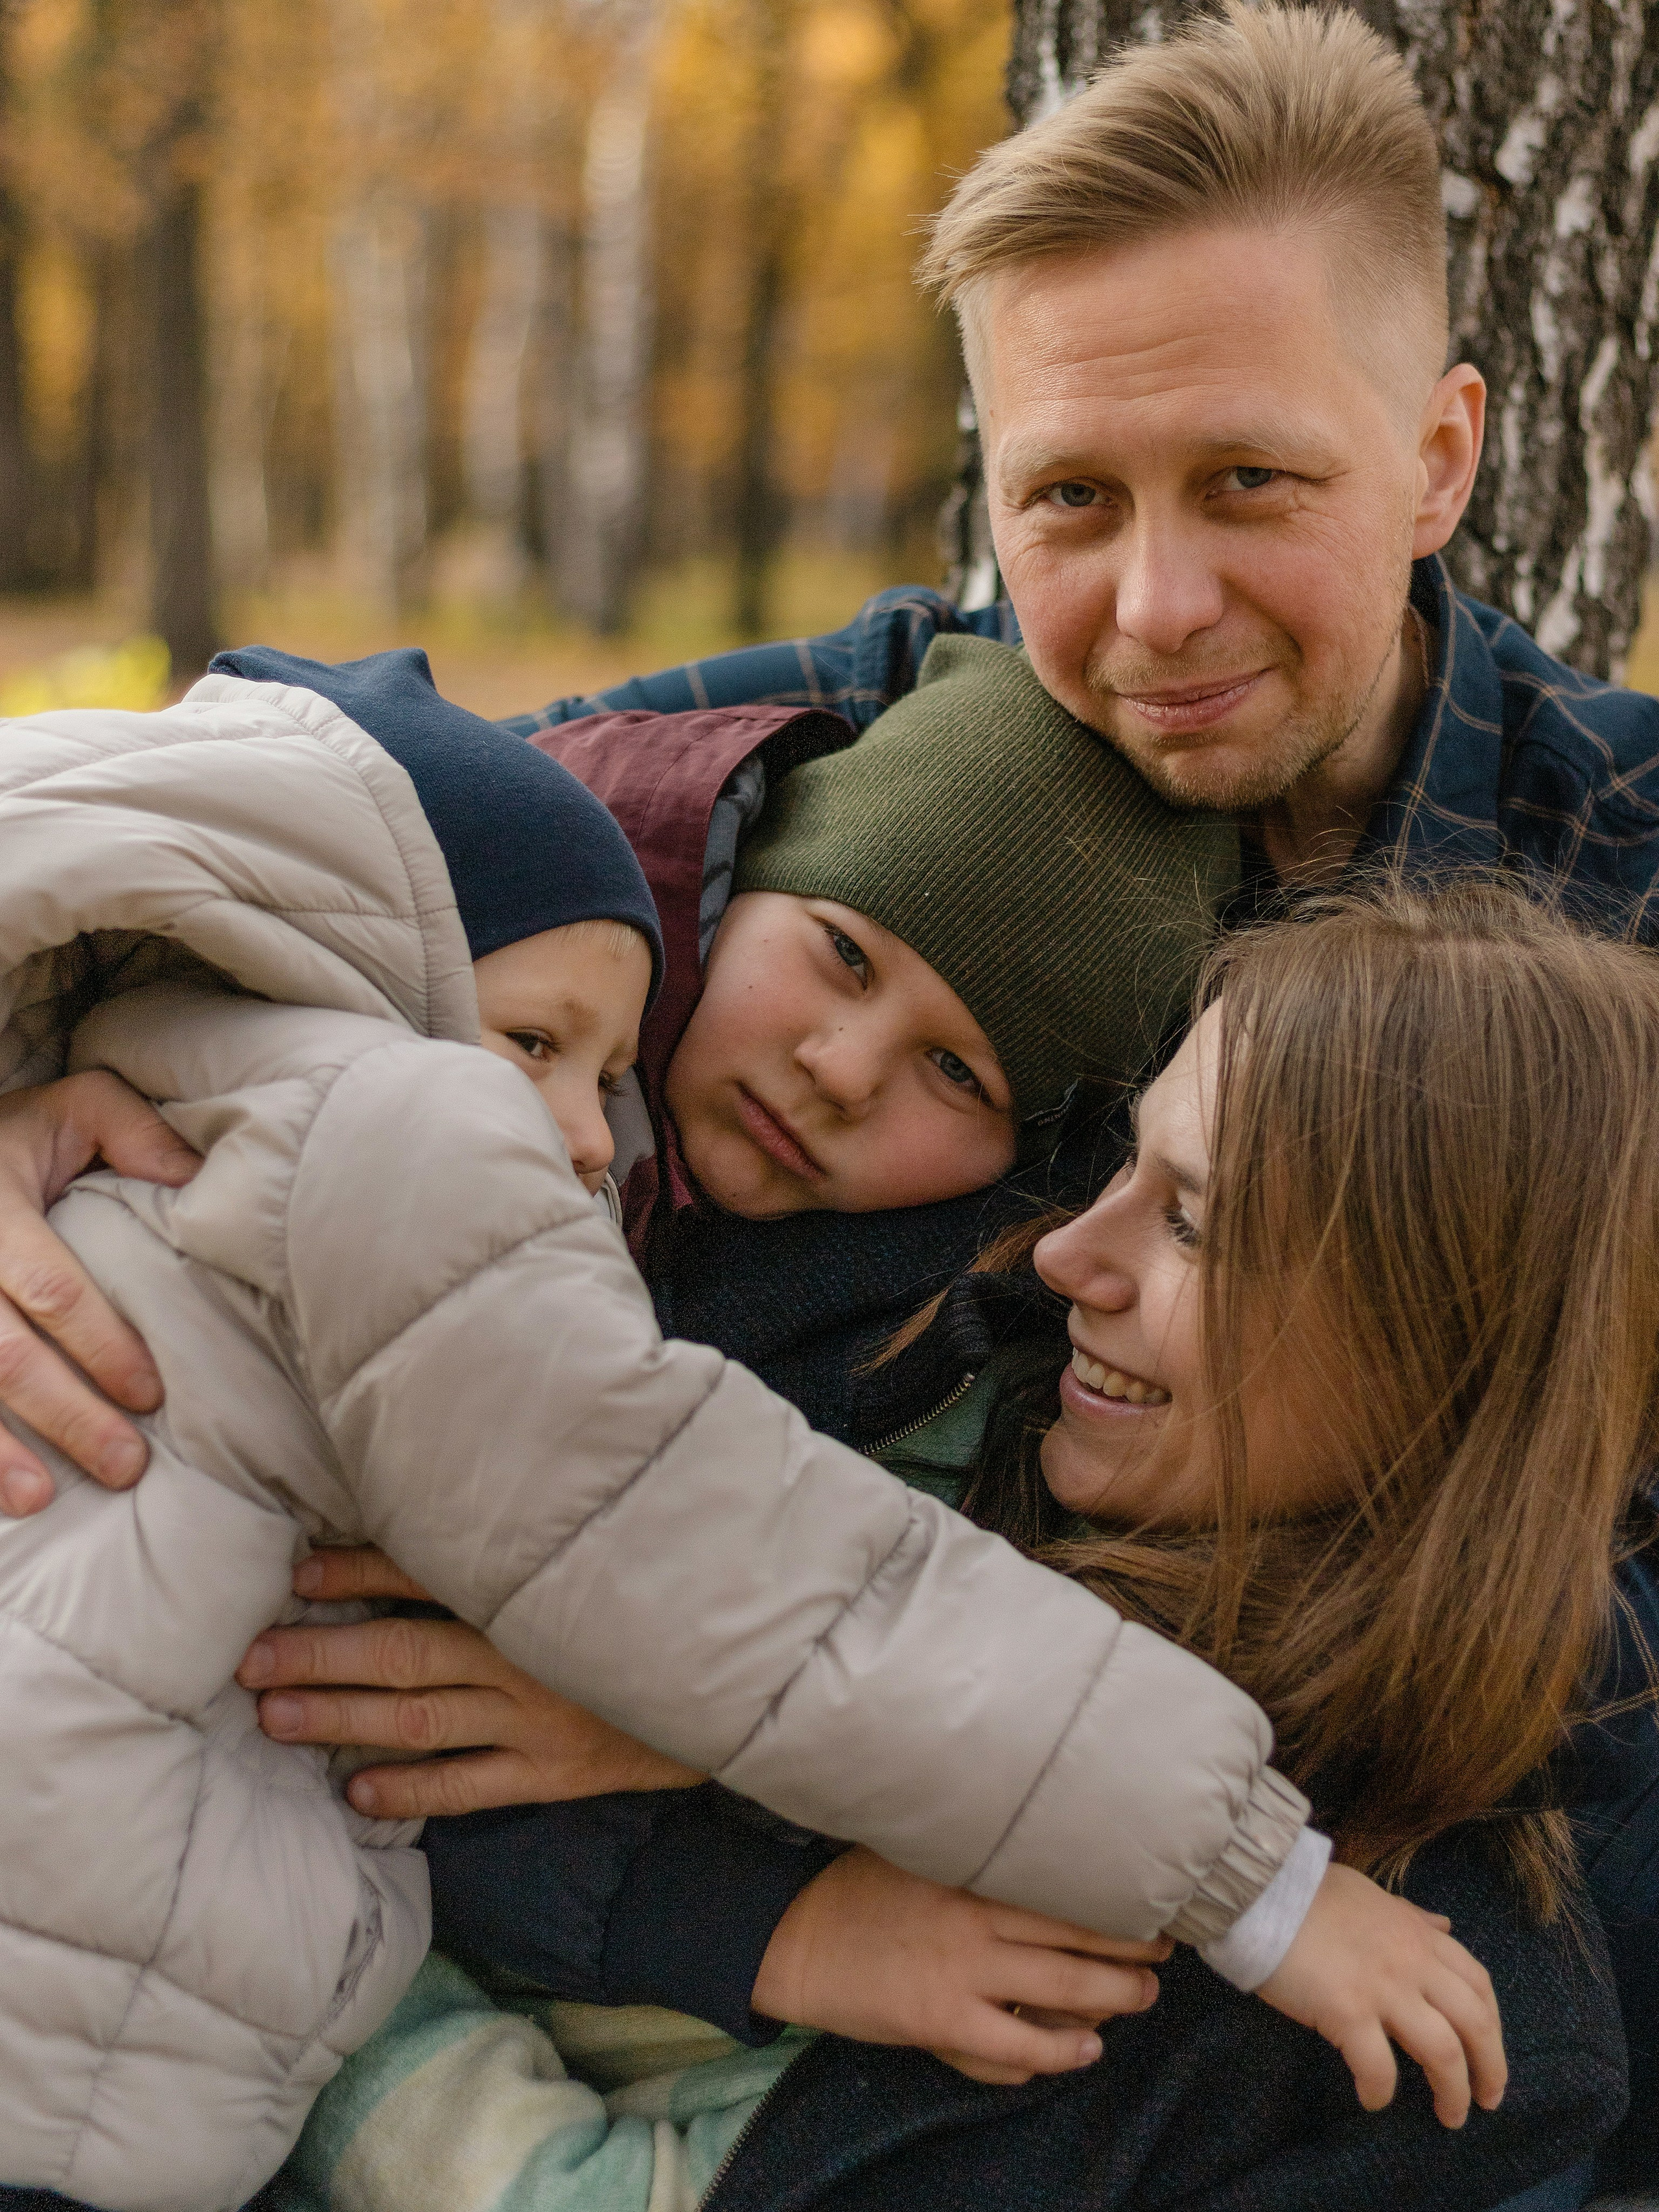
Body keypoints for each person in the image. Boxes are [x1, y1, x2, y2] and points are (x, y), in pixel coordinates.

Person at [0, 647, 1468, 2212]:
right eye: (839, 953)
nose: (838, 1071)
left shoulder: (212, 1078)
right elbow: (781, 1586)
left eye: (956, 1071)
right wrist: (1249, 1875)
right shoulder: (412, 1120)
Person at [261, 878, 1642, 2212]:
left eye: (1190, 1223)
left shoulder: (1430, 2039)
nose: (1065, 1259)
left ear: (1443, 1373)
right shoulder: (903, 1344)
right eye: (1127, 1163)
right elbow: (310, 1732)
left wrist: (740, 1844)